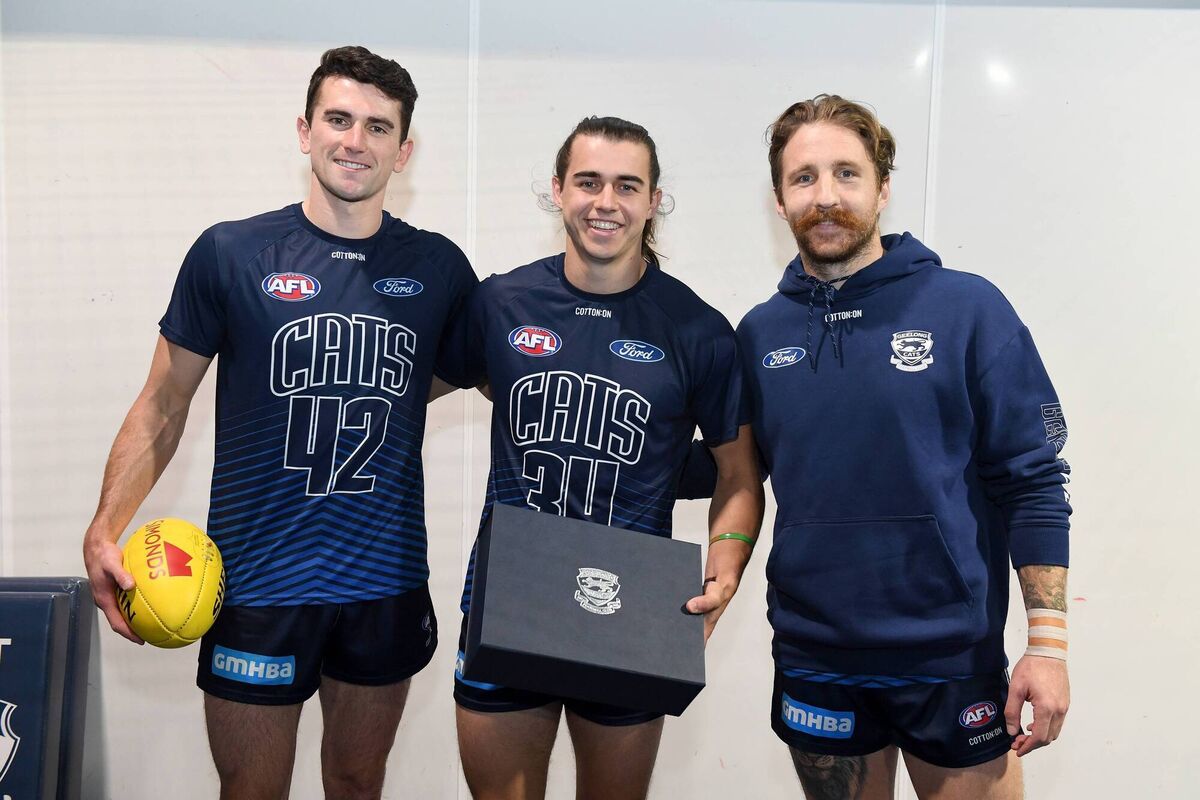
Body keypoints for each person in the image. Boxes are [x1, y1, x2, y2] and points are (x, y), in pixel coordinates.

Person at [81, 46, 477, 799]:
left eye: (377, 126)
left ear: (405, 149)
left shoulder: (438, 268)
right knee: (251, 791)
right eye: (338, 119)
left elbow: (509, 379)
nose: (354, 140)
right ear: (304, 130)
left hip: (383, 580)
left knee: (359, 782)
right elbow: (165, 402)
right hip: (258, 581)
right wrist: (106, 527)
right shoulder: (232, 252)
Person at [734, 94, 1072, 799]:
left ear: (883, 187)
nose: (825, 196)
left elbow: (1034, 479)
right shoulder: (759, 334)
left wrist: (1047, 646)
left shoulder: (967, 309)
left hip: (948, 655)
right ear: (778, 198)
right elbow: (734, 477)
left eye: (846, 174)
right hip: (814, 651)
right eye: (803, 178)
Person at [444, 116, 765, 800]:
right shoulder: (500, 303)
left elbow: (740, 473)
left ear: (653, 200)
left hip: (631, 610)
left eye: (627, 185)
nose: (605, 201)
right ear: (558, 190)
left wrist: (726, 570)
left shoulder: (698, 330)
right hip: (508, 601)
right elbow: (414, 385)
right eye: (588, 181)